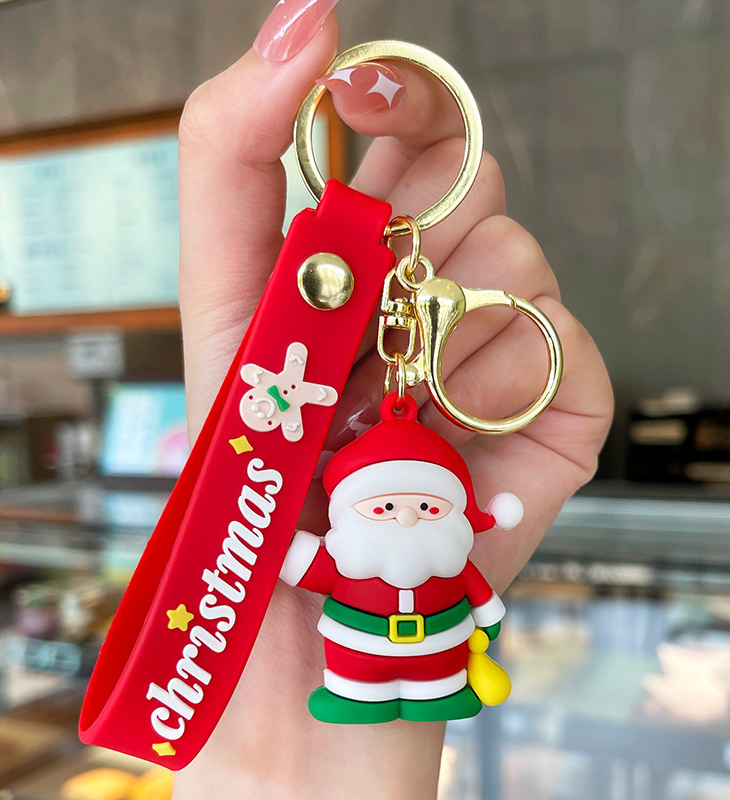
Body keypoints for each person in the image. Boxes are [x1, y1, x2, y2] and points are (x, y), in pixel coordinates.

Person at [174, 1, 613, 797]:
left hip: (435, 656)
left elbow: (463, 587)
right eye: (388, 509)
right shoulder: (401, 551)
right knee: (362, 684)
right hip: (355, 657)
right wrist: (248, 512)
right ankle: (359, 697)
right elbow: (293, 555)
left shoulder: (443, 548)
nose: (407, 518)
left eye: (418, 508)